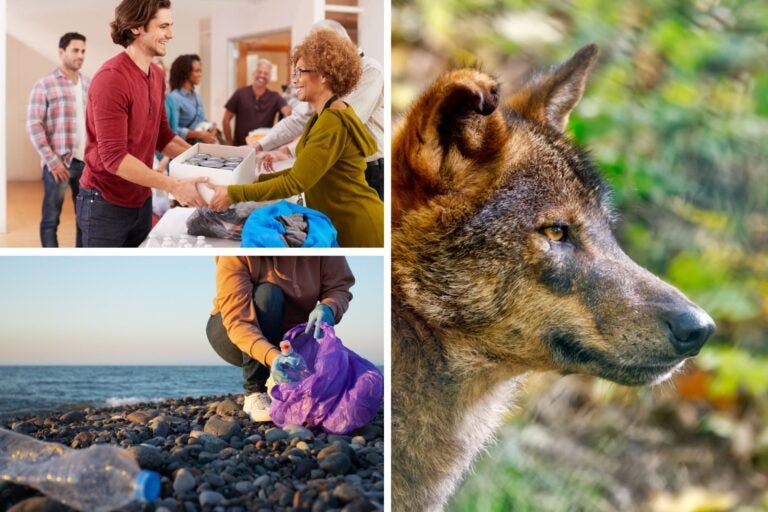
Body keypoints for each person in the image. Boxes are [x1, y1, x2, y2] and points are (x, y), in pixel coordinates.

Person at [207, 29, 384, 248]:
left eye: (300, 72)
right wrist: (256, 181)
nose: (294, 80)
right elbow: (304, 170)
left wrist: (234, 193)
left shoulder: (333, 120)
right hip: (341, 224)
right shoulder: (322, 116)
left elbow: (295, 182)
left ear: (324, 74)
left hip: (359, 228)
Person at [77, 0, 207, 247]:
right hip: (104, 202)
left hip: (141, 197)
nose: (171, 34)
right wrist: (174, 186)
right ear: (137, 28)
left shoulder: (156, 75)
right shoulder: (111, 79)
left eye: (171, 26)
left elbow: (163, 135)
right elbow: (114, 158)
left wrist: (207, 160)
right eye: (163, 26)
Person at [206, 256, 355, 421]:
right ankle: (254, 393)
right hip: (232, 333)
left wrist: (329, 306)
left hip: (289, 337)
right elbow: (238, 321)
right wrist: (272, 356)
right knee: (267, 294)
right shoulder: (236, 254)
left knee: (330, 386)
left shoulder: (320, 247)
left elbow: (339, 287)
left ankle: (277, 383)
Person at [252, 19, 385, 200]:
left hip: (370, 168)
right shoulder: (326, 78)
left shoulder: (371, 71)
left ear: (342, 44)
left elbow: (339, 125)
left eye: (324, 50)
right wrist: (260, 145)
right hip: (336, 167)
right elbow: (299, 118)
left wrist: (289, 151)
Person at [26, 32, 90, 247]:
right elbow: (34, 125)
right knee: (51, 220)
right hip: (59, 164)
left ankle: (81, 265)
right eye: (75, 50)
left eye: (83, 51)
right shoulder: (45, 84)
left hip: (86, 164)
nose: (80, 55)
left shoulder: (88, 84)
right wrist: (53, 162)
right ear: (61, 52)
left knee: (85, 220)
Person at [221, 59, 292, 146]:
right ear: (254, 73)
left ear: (269, 77)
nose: (262, 75)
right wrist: (229, 143)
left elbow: (288, 113)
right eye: (259, 72)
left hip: (264, 149)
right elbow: (226, 119)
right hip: (240, 147)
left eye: (266, 73)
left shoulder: (275, 97)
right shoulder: (240, 93)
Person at [167, 54, 217, 143]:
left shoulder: (197, 97)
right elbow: (171, 130)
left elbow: (199, 121)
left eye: (200, 71)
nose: (200, 75)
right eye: (197, 71)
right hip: (183, 148)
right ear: (185, 73)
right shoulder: (174, 98)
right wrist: (198, 134)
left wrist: (211, 126)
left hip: (198, 145)